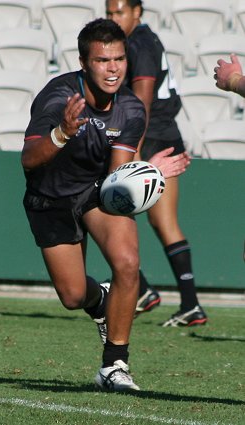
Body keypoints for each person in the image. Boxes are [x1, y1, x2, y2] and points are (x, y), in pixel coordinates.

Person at [21, 18, 190, 392]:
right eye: (102, 60)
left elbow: (118, 177)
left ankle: (114, 364)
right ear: (84, 63)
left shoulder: (130, 109)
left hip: (95, 191)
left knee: (128, 262)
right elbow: (29, 159)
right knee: (72, 296)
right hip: (50, 196)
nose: (113, 68)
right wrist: (62, 133)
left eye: (119, 59)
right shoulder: (57, 97)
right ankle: (100, 300)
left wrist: (149, 172)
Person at [106, 0, 208, 327]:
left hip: (152, 137)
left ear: (138, 12)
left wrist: (132, 147)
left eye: (119, 11)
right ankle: (185, 303)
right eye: (109, 12)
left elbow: (143, 97)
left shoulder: (138, 43)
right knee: (159, 222)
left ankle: (148, 291)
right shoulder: (142, 40)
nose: (113, 18)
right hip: (164, 135)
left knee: (110, 208)